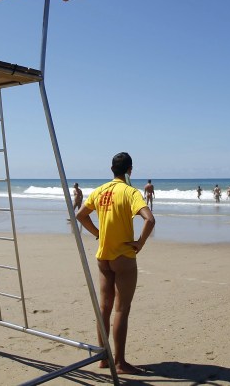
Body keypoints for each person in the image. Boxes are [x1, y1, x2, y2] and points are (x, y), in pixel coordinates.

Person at [75, 152, 155, 375]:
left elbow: (80, 215)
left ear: (112, 169)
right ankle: (119, 362)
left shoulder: (100, 191)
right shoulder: (130, 192)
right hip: (123, 257)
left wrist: (98, 234)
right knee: (121, 308)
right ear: (130, 170)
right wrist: (140, 243)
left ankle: (103, 357)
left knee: (105, 306)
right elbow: (149, 219)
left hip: (103, 256)